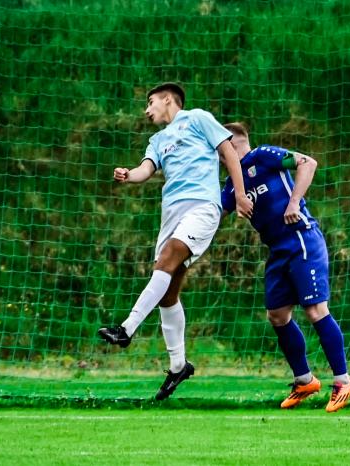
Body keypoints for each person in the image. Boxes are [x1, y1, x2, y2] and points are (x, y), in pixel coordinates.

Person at [98, 83, 253, 400]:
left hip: (202, 207)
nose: (147, 110)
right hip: (171, 214)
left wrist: (239, 194)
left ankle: (126, 329)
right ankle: (179, 365)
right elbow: (145, 170)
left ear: (168, 99)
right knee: (168, 293)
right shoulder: (157, 140)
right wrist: (128, 174)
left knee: (167, 258)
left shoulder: (198, 118)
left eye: (150, 102)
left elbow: (228, 152)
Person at [220, 122, 350, 413]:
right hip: (278, 251)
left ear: (230, 142)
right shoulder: (233, 184)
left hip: (301, 239)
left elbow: (308, 163)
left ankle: (343, 380)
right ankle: (304, 380)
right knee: (277, 315)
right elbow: (216, 213)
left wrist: (294, 202)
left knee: (315, 310)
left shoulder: (263, 156)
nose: (217, 154)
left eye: (219, 147)